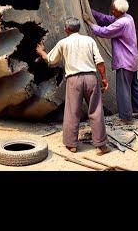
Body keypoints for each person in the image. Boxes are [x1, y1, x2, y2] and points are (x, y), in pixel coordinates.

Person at [36, 17, 110, 155]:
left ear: (66, 29)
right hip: (91, 78)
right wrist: (104, 78)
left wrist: (41, 52)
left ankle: (72, 145)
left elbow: (51, 61)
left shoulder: (63, 43)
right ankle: (101, 145)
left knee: (72, 111)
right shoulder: (89, 40)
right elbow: (99, 61)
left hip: (74, 79)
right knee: (96, 110)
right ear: (78, 28)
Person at [83, 0, 138, 125]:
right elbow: (106, 18)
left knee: (123, 89)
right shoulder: (128, 17)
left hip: (124, 61)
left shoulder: (121, 23)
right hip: (132, 60)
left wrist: (88, 22)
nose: (111, 11)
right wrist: (90, 10)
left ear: (119, 11)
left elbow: (104, 31)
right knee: (133, 86)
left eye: (113, 10)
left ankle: (125, 118)